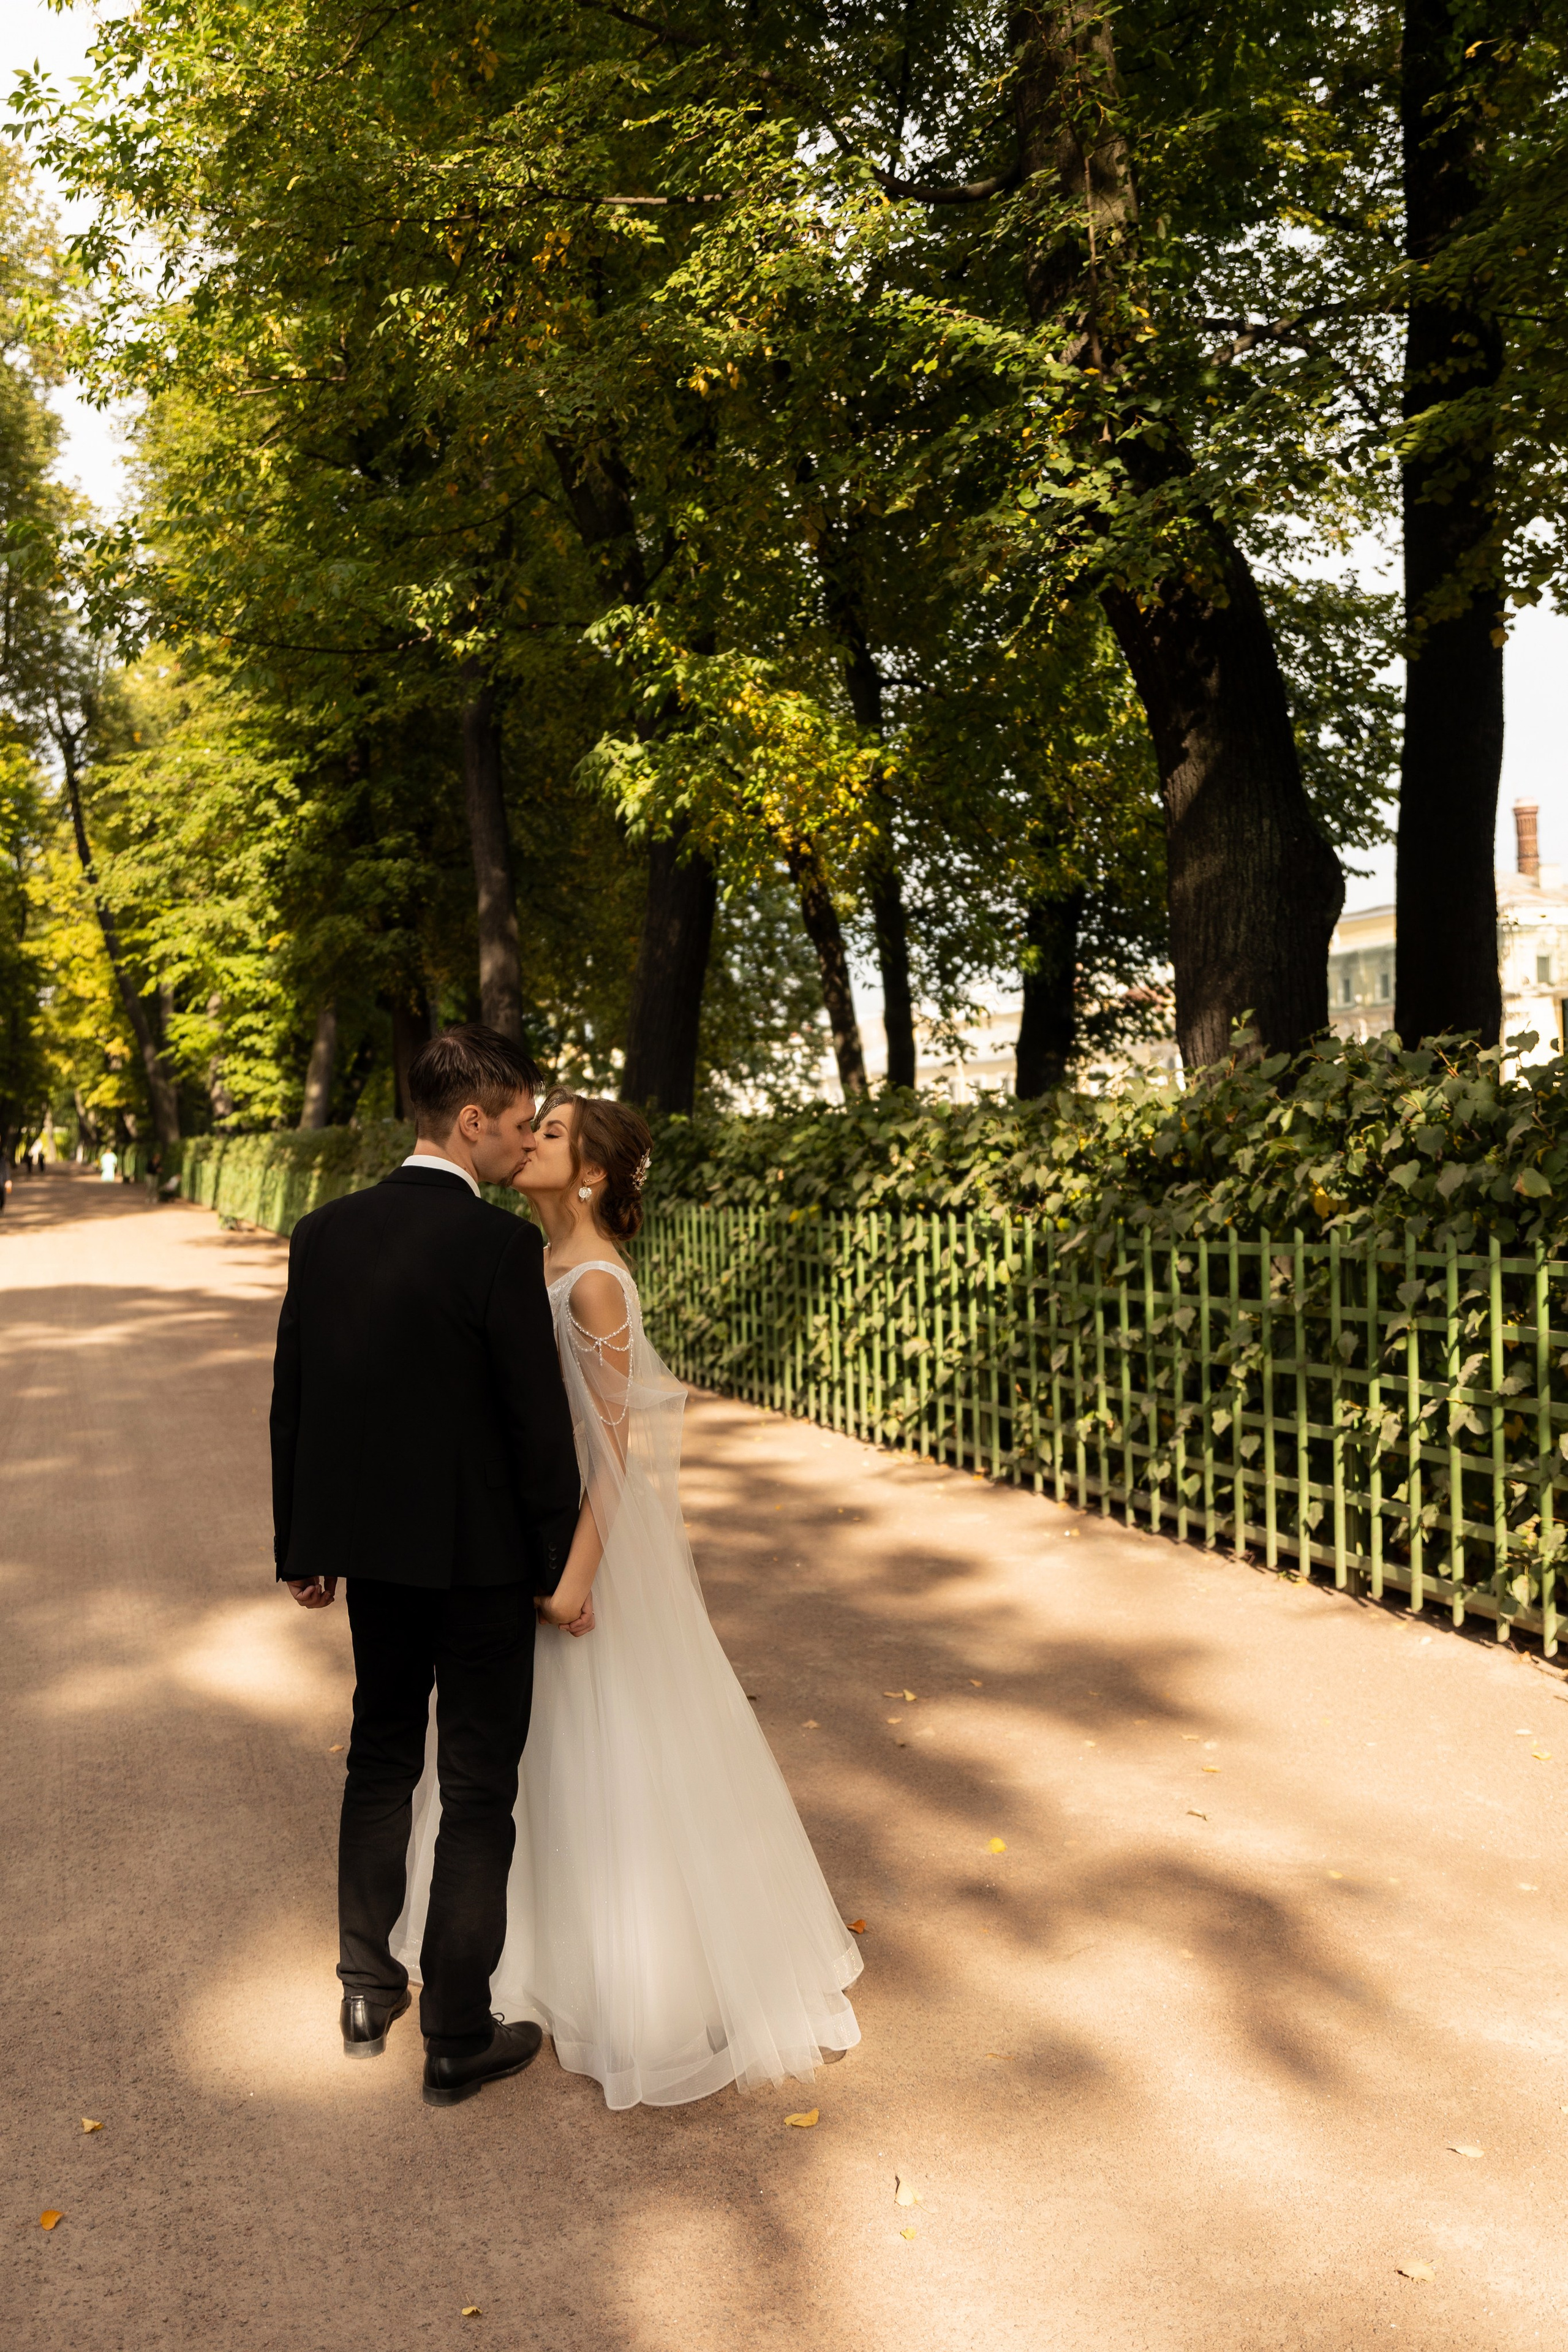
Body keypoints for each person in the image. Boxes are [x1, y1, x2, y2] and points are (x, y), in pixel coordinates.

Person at [393, 1090, 862, 2108]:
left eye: (551, 1133)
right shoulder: (525, 1257)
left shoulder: (596, 1282)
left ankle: (640, 1979)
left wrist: (572, 1580)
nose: (529, 1141)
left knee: (615, 1745)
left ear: (593, 1171)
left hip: (589, 1546)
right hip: (530, 1533)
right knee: (530, 1754)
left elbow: (615, 1449)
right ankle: (531, 1952)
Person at [270, 1025, 584, 2109]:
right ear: (470, 1119)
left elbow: (298, 1400)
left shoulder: (325, 1234)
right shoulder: (496, 1249)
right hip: (485, 1565)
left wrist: (304, 1548)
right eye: (514, 1119)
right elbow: (537, 1430)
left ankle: (367, 1991)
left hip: (378, 1563)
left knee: (380, 1757)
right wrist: (559, 1567)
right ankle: (456, 2033)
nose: (518, 1139)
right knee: (478, 1790)